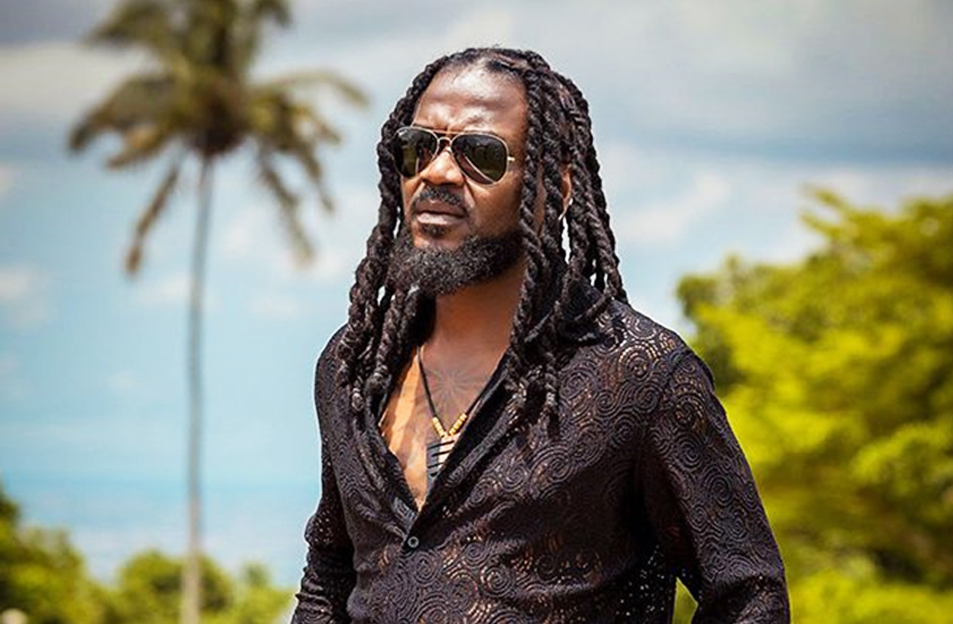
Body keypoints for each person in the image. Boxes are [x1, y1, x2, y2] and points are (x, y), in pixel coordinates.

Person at [293, 47, 789, 623]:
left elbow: (749, 595)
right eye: (418, 147)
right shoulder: (353, 367)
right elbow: (330, 573)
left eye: (480, 154)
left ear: (554, 188)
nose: (438, 173)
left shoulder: (638, 375)